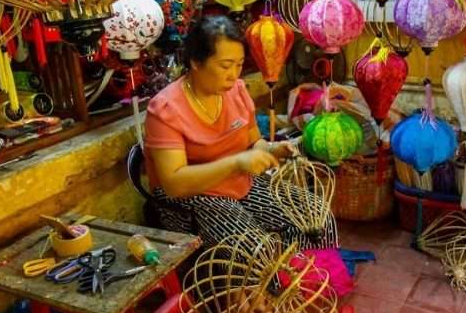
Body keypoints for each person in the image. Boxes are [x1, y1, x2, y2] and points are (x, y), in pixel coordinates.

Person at [144, 15, 338, 249]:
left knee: (317, 217)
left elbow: (254, 142)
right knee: (257, 250)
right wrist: (236, 163)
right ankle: (266, 282)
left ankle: (304, 279)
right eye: (225, 66)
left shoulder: (236, 91)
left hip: (239, 183)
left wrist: (272, 149)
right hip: (193, 196)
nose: (234, 74)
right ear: (196, 61)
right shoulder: (166, 109)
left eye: (239, 65)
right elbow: (174, 183)